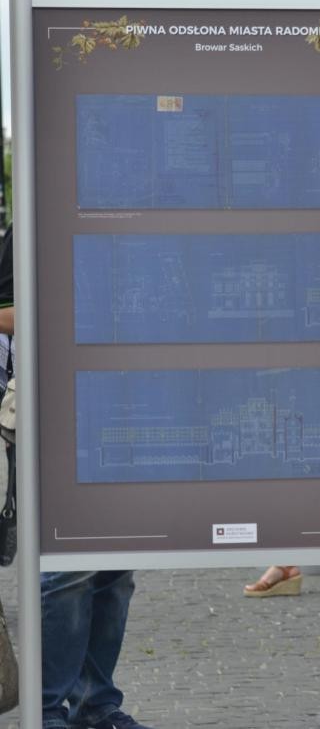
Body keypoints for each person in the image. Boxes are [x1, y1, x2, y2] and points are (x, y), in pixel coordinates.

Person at [0, 225, 152, 729]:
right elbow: (4, 314)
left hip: (123, 406)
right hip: (56, 413)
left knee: (117, 570)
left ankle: (95, 704)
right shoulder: (33, 220)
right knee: (68, 569)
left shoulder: (129, 227)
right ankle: (47, 710)